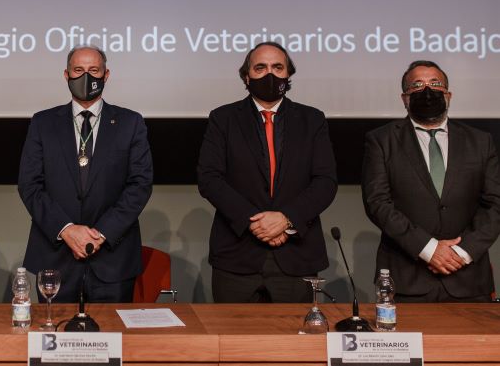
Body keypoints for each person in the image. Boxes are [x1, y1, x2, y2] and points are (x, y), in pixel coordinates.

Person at [197, 42, 338, 302]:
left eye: (277, 67)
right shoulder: (223, 118)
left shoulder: (312, 119)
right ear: (246, 76)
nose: (269, 74)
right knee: (232, 342)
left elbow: (325, 181)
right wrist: (259, 223)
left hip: (297, 256)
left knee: (295, 342)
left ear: (288, 75)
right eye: (260, 68)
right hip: (237, 257)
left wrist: (286, 219)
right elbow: (209, 178)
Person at [18, 45, 153, 303]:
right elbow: (29, 185)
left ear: (106, 75)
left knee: (112, 339)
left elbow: (140, 185)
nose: (86, 77)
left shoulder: (130, 123)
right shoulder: (43, 123)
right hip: (55, 257)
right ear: (66, 75)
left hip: (112, 259)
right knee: (54, 338)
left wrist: (99, 234)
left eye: (94, 70)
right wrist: (67, 230)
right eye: (78, 70)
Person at [361, 60, 500, 302]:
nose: (427, 90)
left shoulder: (480, 141)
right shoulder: (381, 140)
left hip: (468, 278)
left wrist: (460, 252)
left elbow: (495, 204)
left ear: (448, 95)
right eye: (417, 85)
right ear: (405, 98)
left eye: (435, 84)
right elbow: (378, 203)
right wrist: (429, 249)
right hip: (406, 279)